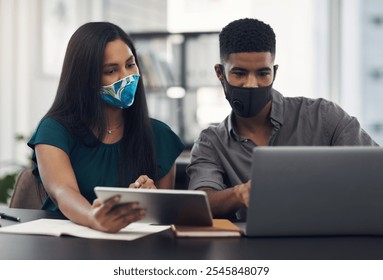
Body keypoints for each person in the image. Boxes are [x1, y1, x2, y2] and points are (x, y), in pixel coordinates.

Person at [187, 18, 378, 221]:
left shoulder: (323, 116)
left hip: (330, 239)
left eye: (262, 73)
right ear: (220, 73)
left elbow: (375, 171)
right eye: (239, 73)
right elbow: (201, 201)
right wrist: (239, 193)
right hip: (253, 249)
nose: (252, 84)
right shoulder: (211, 142)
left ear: (274, 72)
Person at [28, 22, 184, 233]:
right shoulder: (54, 130)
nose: (126, 77)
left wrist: (151, 200)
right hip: (65, 246)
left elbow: (163, 222)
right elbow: (62, 191)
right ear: (85, 78)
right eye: (111, 70)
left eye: (130, 65)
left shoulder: (160, 135)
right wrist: (94, 217)